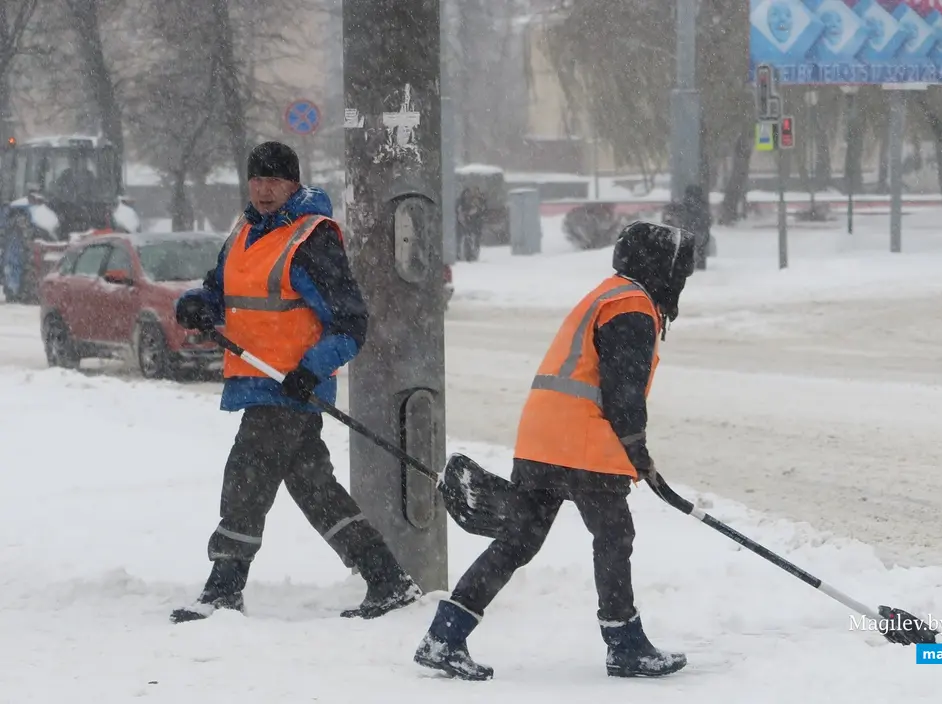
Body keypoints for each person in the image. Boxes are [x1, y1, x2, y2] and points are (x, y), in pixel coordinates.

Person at [413, 220, 697, 680]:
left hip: (540, 440)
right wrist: (638, 454)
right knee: (613, 537)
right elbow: (622, 391)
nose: (681, 284)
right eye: (680, 273)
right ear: (661, 268)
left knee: (516, 541)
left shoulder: (605, 294)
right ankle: (624, 643)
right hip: (582, 442)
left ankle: (445, 634)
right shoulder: (632, 306)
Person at [168, 141, 422, 624]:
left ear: (293, 184)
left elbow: (351, 323)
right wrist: (197, 304)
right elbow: (220, 291)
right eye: (257, 180)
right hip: (259, 383)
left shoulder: (312, 239)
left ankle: (224, 586)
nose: (264, 191)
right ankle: (387, 578)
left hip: (288, 387)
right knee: (314, 487)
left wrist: (310, 370)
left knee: (246, 478)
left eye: (275, 182)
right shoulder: (244, 230)